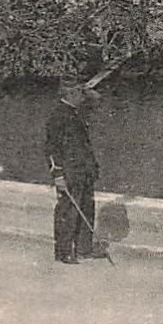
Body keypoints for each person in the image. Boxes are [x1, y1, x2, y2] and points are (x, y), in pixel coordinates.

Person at [44, 75, 100, 264]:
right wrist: (57, 174)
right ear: (71, 93)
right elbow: (51, 148)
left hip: (83, 170)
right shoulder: (58, 116)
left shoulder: (76, 113)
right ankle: (64, 251)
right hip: (69, 171)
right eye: (80, 92)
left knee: (86, 208)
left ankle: (84, 248)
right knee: (68, 212)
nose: (83, 96)